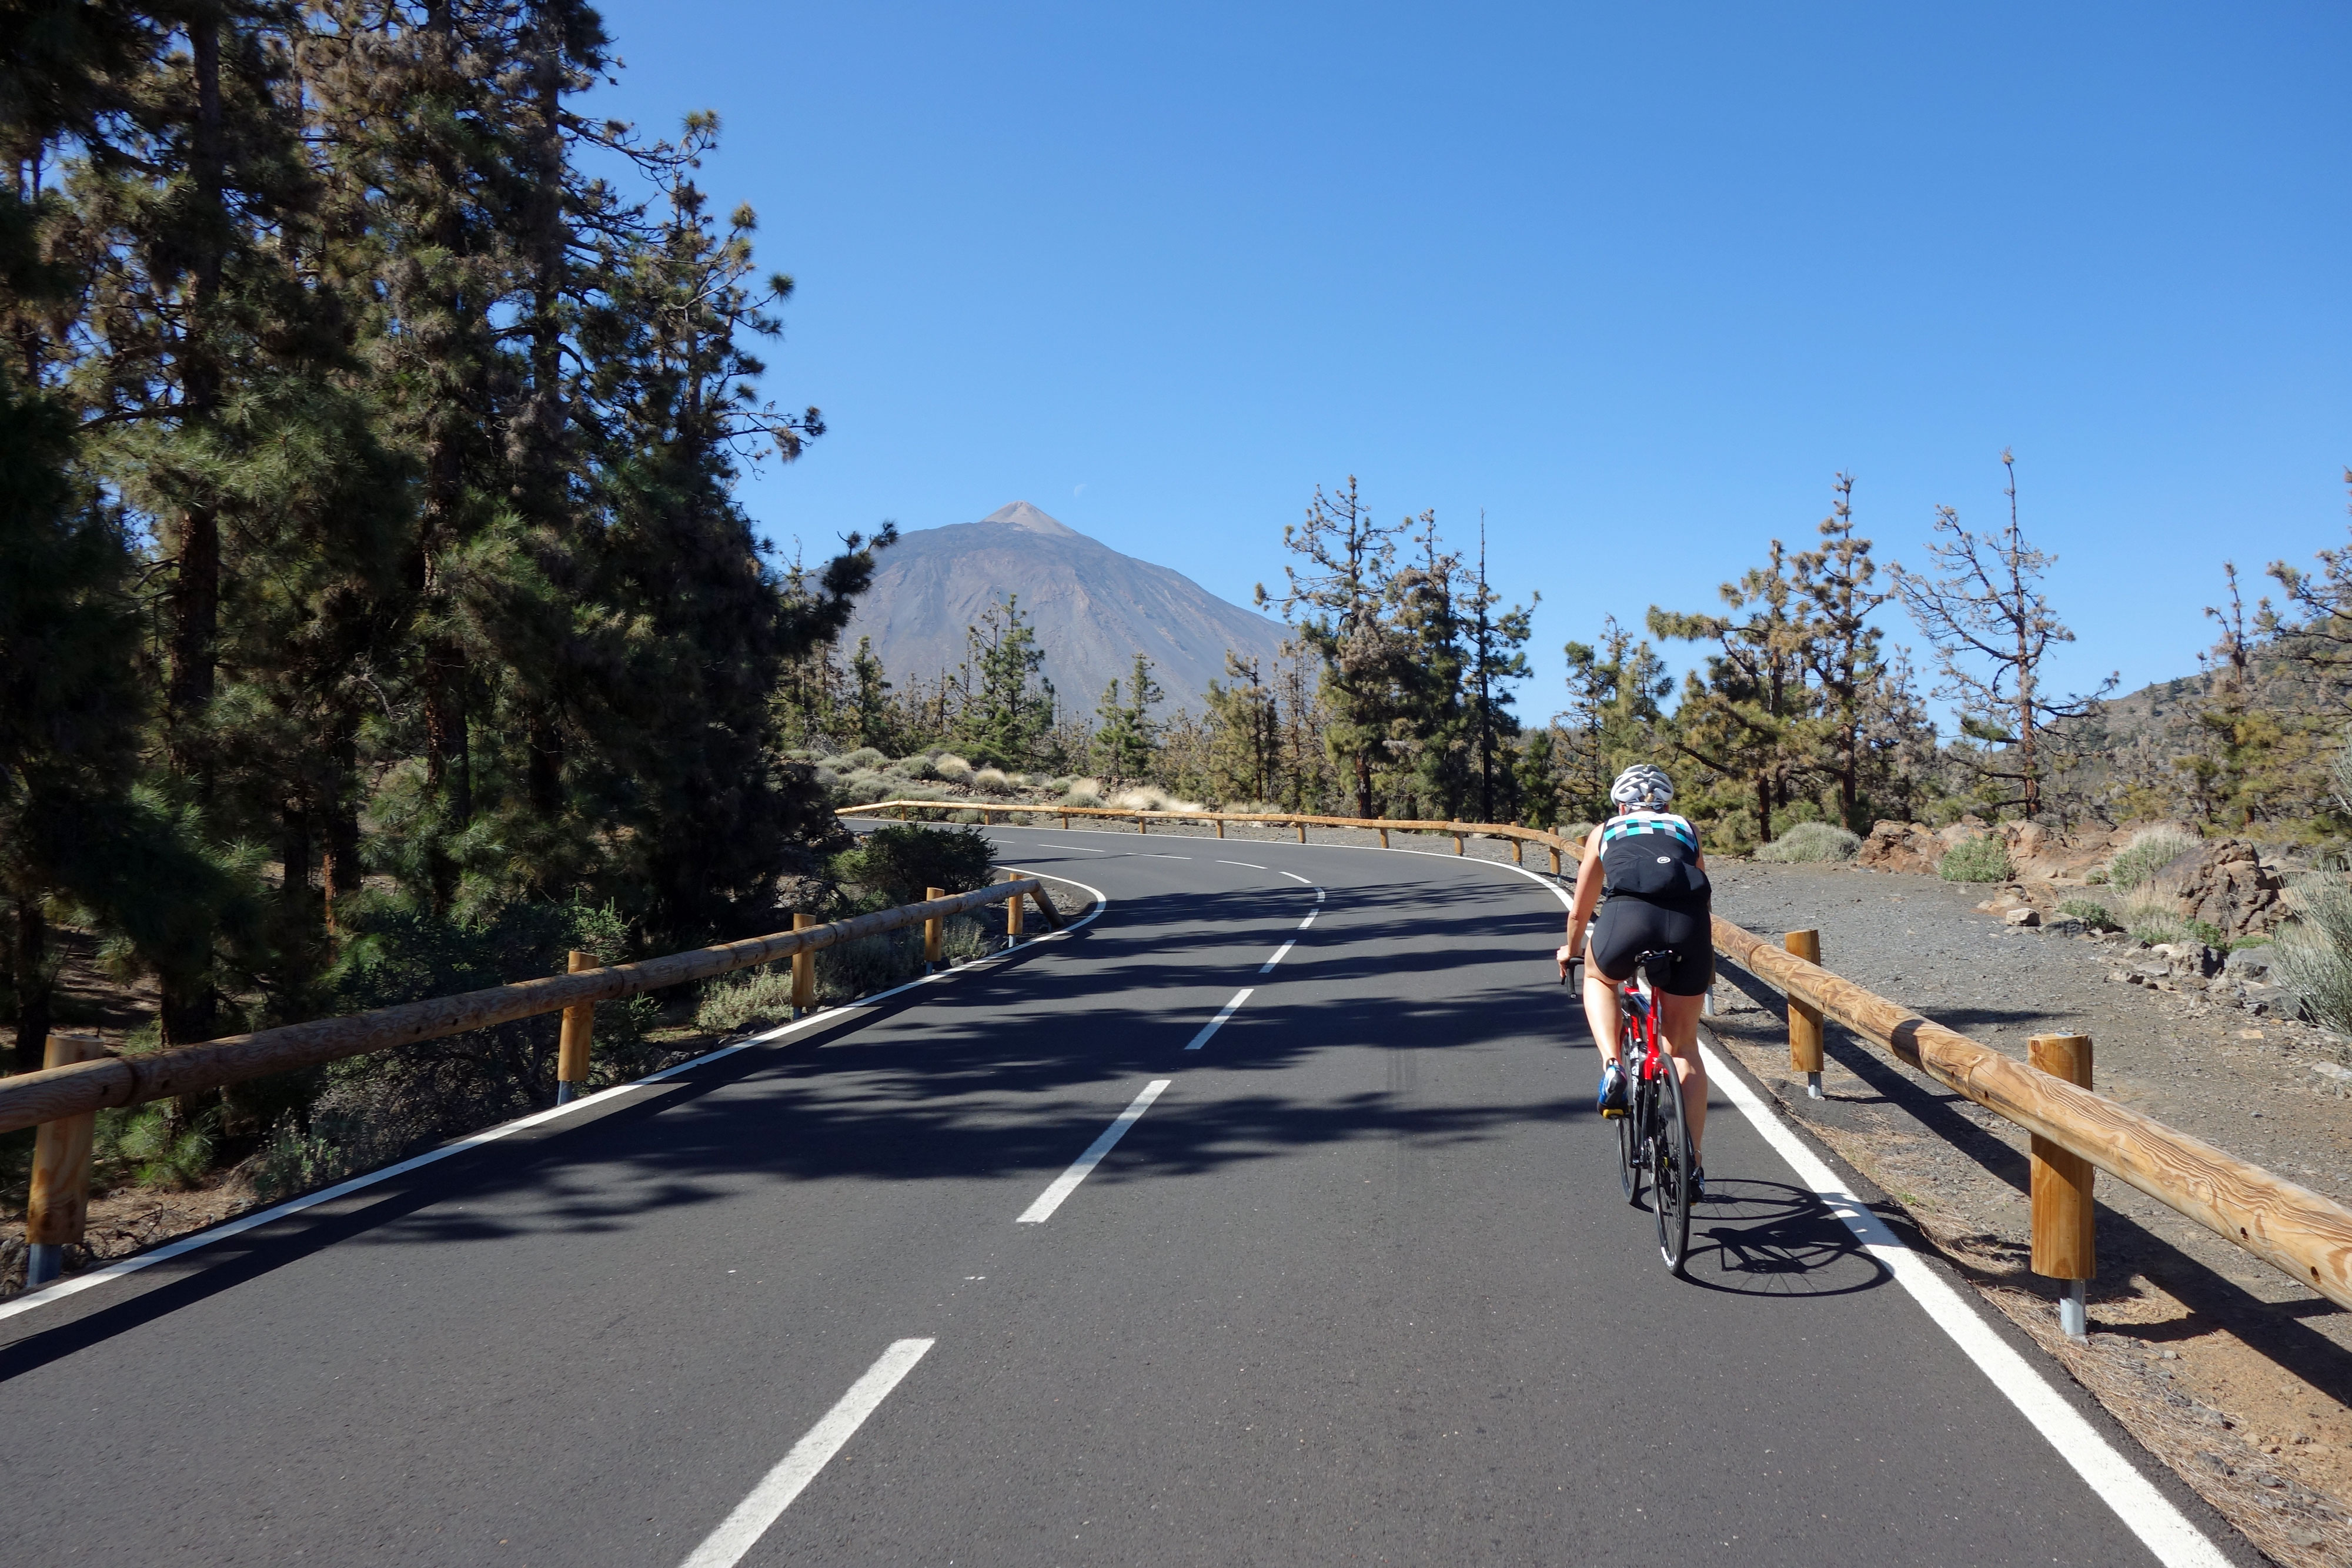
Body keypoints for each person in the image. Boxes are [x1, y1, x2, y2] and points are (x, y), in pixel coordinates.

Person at [1554, 763, 1712, 1193]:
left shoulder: (1606, 830)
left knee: (1601, 979)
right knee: (1682, 1047)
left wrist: (1571, 950)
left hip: (1628, 918)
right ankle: (1692, 1165)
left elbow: (1579, 909)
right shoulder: (1686, 828)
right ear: (1666, 803)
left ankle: (1612, 1065)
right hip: (1688, 925)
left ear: (1620, 804)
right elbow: (1702, 886)